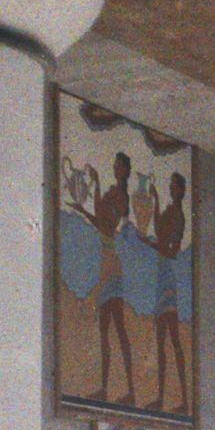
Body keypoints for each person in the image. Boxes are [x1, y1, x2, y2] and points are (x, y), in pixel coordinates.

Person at [65, 150, 140, 408]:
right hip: (106, 263)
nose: (117, 169)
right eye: (116, 165)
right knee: (105, 330)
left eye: (120, 166)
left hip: (113, 267)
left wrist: (94, 193)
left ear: (126, 171)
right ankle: (106, 389)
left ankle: (129, 389)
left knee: (117, 329)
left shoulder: (121, 196)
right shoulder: (111, 194)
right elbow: (99, 218)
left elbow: (106, 225)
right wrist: (84, 208)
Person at [151, 171, 191, 416]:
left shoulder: (178, 215)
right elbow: (158, 230)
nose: (172, 190)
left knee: (172, 340)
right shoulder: (170, 212)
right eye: (171, 186)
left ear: (181, 190)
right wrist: (155, 201)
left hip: (167, 279)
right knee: (163, 341)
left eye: (174, 186)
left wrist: (149, 244)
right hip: (162, 275)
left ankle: (183, 399)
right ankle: (163, 398)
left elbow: (171, 249)